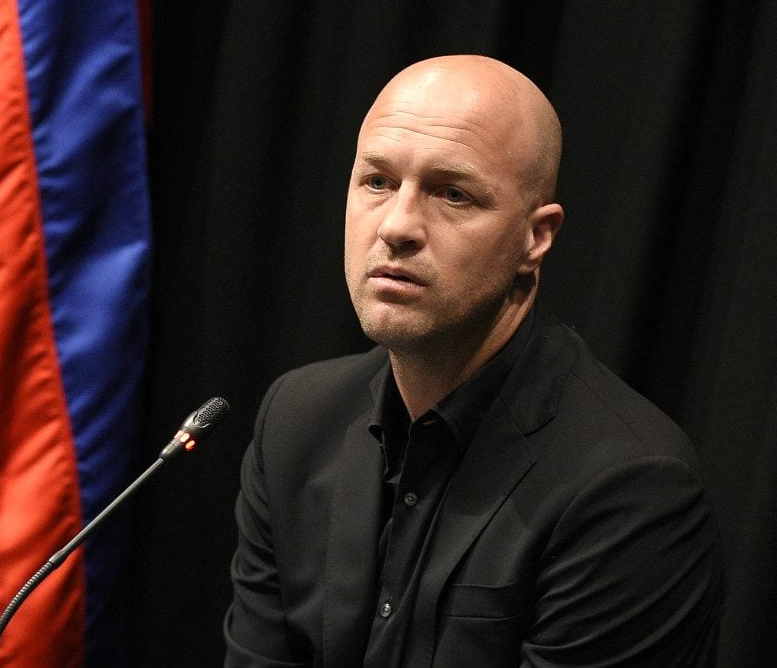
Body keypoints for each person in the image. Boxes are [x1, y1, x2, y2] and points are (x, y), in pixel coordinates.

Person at [222, 55, 722, 667]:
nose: (398, 225)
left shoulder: (632, 487)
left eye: (453, 194)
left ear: (535, 238)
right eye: (377, 182)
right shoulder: (296, 422)